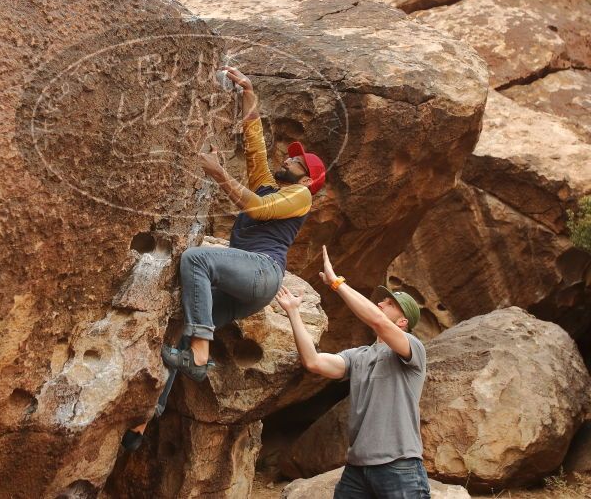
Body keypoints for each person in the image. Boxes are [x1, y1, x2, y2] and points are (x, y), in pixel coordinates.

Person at [160, 66, 327, 381]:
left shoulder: (301, 196)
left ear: (306, 179)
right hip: (247, 287)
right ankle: (145, 420)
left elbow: (261, 209)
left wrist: (220, 174)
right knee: (182, 328)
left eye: (296, 162)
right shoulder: (268, 185)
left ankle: (198, 356)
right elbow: (255, 145)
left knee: (197, 259)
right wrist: (248, 93)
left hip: (263, 271)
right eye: (291, 157)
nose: (288, 159)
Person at [275, 245, 430, 499]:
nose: (380, 303)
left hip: (400, 467)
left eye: (389, 303)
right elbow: (313, 362)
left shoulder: (412, 349)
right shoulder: (358, 356)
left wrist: (337, 283)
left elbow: (377, 321)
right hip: (357, 470)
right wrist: (293, 312)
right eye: (382, 300)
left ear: (402, 323)